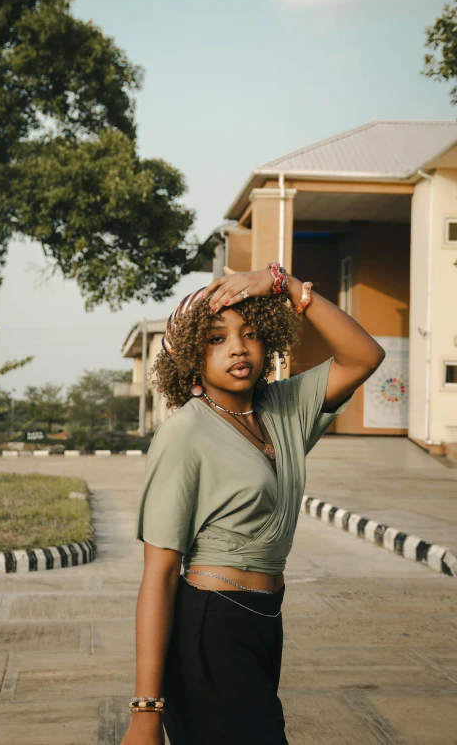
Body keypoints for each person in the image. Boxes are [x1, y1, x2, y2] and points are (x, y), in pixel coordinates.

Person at [122, 264, 385, 745]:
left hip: (265, 619)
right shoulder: (186, 433)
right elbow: (158, 574)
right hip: (211, 625)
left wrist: (285, 285)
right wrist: (146, 709)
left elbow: (364, 355)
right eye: (216, 339)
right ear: (189, 357)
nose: (238, 348)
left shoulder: (284, 408)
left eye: (250, 334)